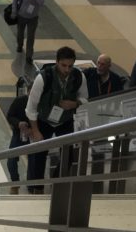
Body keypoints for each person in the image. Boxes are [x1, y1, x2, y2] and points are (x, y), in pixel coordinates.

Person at [25, 46, 88, 192]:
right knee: (38, 156)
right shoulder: (43, 78)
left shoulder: (79, 77)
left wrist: (75, 103)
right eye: (63, 65)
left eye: (70, 66)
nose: (67, 69)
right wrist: (35, 131)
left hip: (65, 120)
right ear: (57, 62)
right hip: (44, 121)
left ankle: (56, 182)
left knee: (69, 154)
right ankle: (36, 188)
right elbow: (31, 107)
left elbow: (85, 98)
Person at [12, 0, 46, 64]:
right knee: (20, 33)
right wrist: (14, 12)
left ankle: (29, 56)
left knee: (31, 37)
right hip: (22, 16)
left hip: (33, 19)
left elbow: (41, 2)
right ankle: (20, 45)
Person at [5, 89, 30, 193]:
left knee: (34, 160)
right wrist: (18, 123)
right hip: (19, 133)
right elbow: (10, 116)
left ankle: (33, 185)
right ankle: (15, 182)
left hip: (35, 134)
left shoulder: (42, 102)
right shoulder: (19, 101)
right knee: (11, 160)